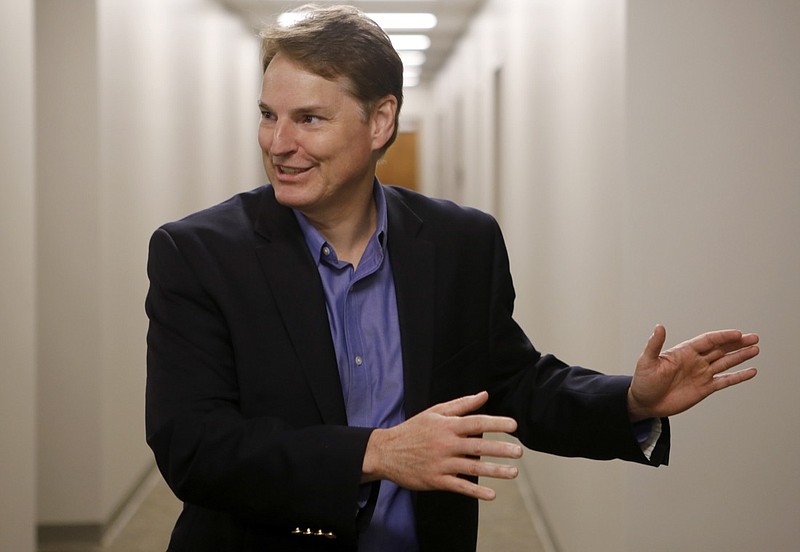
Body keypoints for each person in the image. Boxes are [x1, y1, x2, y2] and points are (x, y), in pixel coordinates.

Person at [144, 5, 759, 551]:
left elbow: (512, 385)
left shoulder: (461, 242)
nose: (278, 143)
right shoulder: (198, 253)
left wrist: (630, 401)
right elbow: (194, 446)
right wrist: (377, 453)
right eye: (267, 115)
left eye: (308, 119)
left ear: (381, 121)